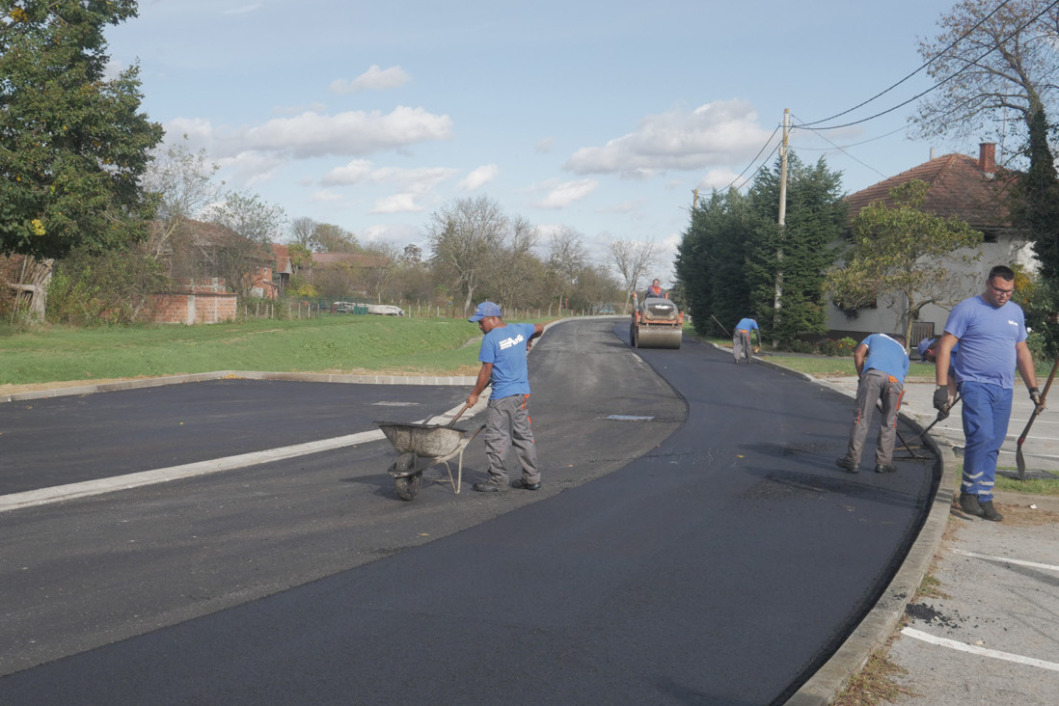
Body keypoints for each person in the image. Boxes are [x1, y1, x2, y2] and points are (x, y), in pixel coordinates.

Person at [934, 265, 1041, 522]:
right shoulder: (967, 309)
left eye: (1009, 291)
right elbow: (945, 347)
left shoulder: (1016, 312)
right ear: (987, 284)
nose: (1003, 295)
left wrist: (1033, 388)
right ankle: (968, 492)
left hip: (1004, 387)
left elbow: (1022, 351)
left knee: (994, 443)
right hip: (973, 383)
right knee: (981, 434)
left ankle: (984, 496)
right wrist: (941, 386)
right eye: (998, 289)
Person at [466, 301, 545, 492]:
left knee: (496, 436)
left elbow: (486, 371)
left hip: (502, 397)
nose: (479, 325)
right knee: (523, 436)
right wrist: (527, 339)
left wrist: (474, 394)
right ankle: (532, 478)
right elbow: (540, 327)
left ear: (493, 318)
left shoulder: (491, 339)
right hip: (521, 394)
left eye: (481, 321)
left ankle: (498, 480)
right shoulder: (519, 329)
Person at [836, 333, 909, 474]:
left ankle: (852, 460)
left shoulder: (876, 336)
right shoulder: (904, 353)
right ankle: (884, 462)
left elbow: (858, 354)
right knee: (890, 422)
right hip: (895, 383)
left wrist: (862, 377)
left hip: (873, 376)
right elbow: (902, 378)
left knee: (861, 418)